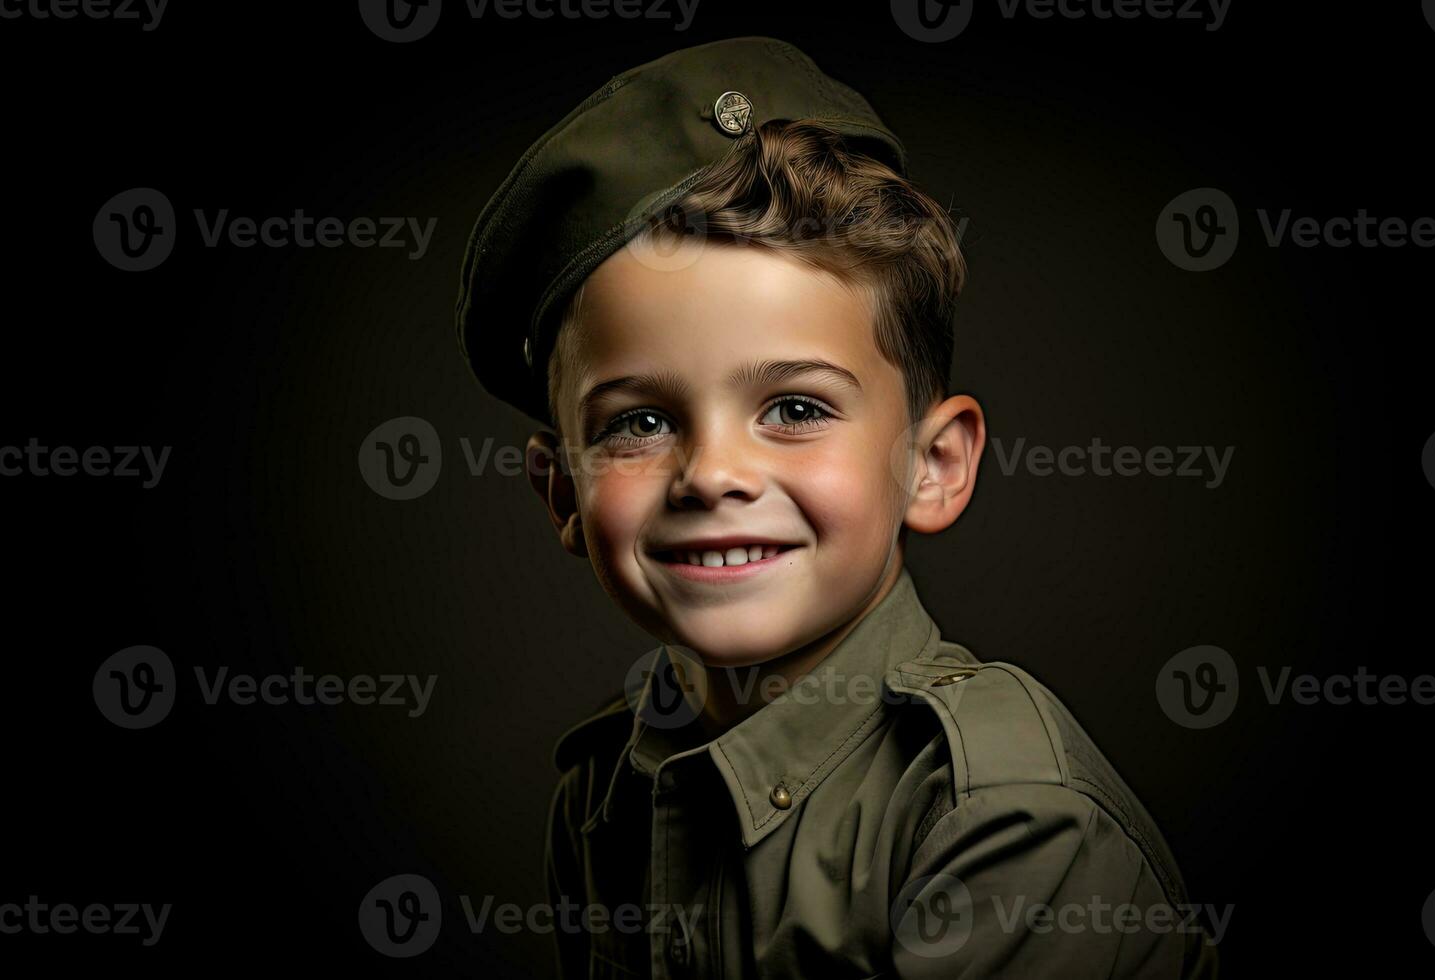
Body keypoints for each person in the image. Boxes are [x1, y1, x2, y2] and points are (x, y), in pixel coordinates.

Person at [454, 35, 1219, 979]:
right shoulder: (606, 789)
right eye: (641, 422)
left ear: (932, 464)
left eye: (797, 408)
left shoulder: (1004, 817)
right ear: (564, 494)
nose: (712, 474)